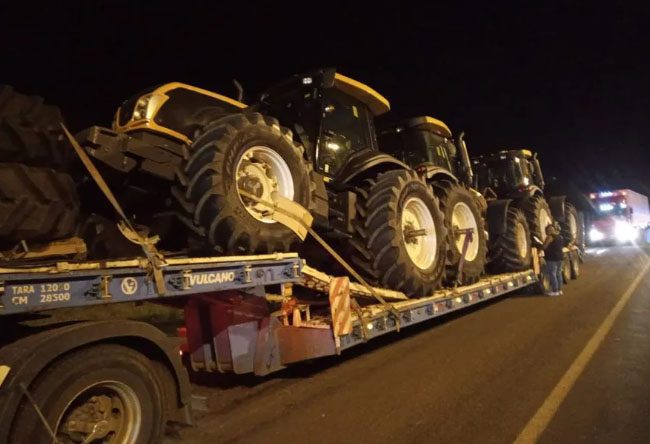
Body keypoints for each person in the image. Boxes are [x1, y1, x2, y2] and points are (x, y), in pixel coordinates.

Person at [542, 222, 565, 296]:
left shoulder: (550, 237)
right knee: (558, 274)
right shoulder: (560, 237)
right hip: (560, 258)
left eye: (547, 231)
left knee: (553, 274)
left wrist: (540, 245)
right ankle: (559, 290)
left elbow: (544, 247)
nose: (546, 232)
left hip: (552, 258)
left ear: (549, 230)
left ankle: (555, 291)